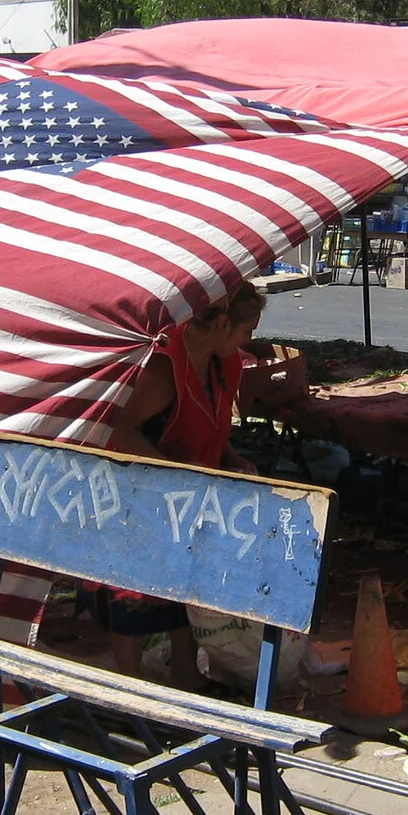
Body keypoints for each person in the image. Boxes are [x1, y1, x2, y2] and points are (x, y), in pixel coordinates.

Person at [101, 281, 270, 690]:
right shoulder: (163, 369)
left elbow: (213, 425)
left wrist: (233, 460)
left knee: (184, 586)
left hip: (190, 499)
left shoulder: (222, 363)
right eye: (247, 331)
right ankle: (127, 686)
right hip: (138, 497)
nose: (250, 339)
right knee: (132, 593)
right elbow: (119, 433)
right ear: (223, 323)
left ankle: (185, 673)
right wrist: (172, 475)